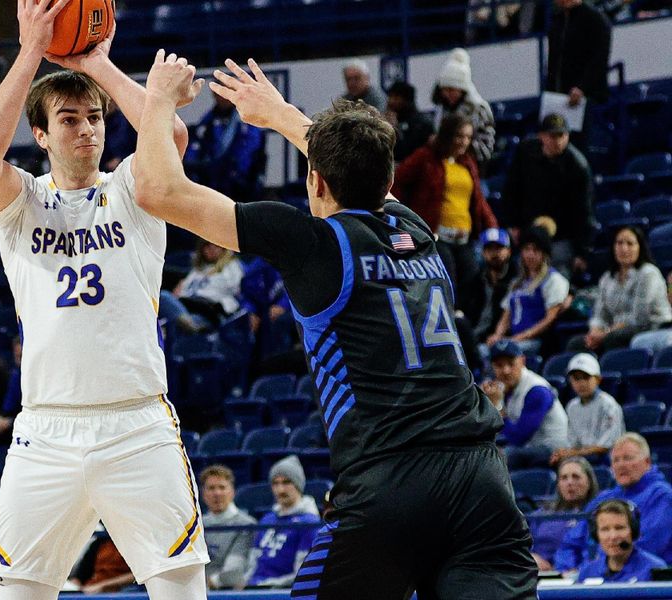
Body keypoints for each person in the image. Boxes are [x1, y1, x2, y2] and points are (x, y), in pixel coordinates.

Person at [134, 51, 538, 599]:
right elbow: (359, 165)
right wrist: (280, 115)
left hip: (392, 483)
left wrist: (157, 99)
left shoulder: (314, 244)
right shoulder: (414, 227)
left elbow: (159, 191)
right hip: (483, 482)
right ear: (390, 176)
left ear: (316, 182)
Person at [0, 4, 208, 598]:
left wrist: (97, 62)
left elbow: (171, 133)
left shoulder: (135, 188)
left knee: (182, 590)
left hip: (136, 425)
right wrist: (30, 53)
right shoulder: (21, 201)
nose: (88, 129)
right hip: (46, 429)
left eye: (94, 116)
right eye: (69, 119)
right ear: (42, 136)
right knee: (17, 591)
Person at [390, 114, 497, 314]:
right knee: (446, 282)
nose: (464, 142)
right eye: (459, 136)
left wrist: (492, 227)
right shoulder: (425, 157)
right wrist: (403, 217)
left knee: (471, 281)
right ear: (447, 135)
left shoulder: (468, 162)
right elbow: (397, 182)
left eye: (467, 137)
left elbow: (479, 200)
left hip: (465, 238)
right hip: (436, 237)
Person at [554, 433, 672, 571]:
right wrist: (567, 569)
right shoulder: (603, 499)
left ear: (647, 462)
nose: (621, 465)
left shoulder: (663, 497)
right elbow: (569, 544)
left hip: (642, 579)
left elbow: (648, 545)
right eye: (616, 460)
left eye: (627, 458)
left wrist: (592, 569)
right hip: (589, 577)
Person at [501, 114, 596, 278]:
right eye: (553, 136)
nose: (558, 141)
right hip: (529, 232)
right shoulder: (525, 152)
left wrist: (582, 252)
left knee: (556, 282)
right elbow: (512, 189)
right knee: (524, 281)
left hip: (561, 237)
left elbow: (584, 211)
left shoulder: (578, 166)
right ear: (541, 136)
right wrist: (512, 223)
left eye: (562, 135)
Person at [568, 226, 672, 353]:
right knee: (577, 343)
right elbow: (600, 314)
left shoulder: (649, 273)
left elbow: (639, 317)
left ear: (640, 247)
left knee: (614, 338)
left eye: (630, 244)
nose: (624, 248)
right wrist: (595, 331)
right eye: (619, 243)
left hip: (650, 326)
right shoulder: (607, 278)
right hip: (614, 330)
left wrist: (606, 332)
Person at [482, 340, 568, 469]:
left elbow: (519, 437)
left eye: (511, 364)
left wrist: (496, 406)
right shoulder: (504, 388)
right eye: (499, 365)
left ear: (522, 361)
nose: (506, 371)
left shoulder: (537, 390)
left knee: (503, 455)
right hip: (529, 448)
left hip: (553, 450)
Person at [487, 222, 570, 355]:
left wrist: (520, 337)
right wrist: (497, 335)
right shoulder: (517, 283)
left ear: (544, 253)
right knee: (483, 351)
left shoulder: (554, 280)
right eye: (526, 249)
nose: (530, 255)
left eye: (535, 250)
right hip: (514, 340)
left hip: (536, 341)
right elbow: (506, 315)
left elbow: (549, 319)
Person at [243, 456, 320, 589]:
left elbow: (301, 573)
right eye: (275, 483)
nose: (280, 490)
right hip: (253, 588)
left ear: (298, 485)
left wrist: (267, 585)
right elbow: (252, 564)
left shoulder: (309, 523)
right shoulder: (267, 519)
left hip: (279, 591)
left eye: (286, 482)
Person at [546, 0, 612, 151]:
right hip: (560, 98)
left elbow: (599, 60)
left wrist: (582, 88)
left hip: (587, 97)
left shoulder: (595, 20)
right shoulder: (557, 22)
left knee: (579, 146)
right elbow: (552, 64)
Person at [184, 90, 266, 202]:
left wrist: (228, 168)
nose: (223, 97)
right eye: (219, 94)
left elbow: (247, 153)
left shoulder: (245, 120)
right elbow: (195, 148)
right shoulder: (207, 121)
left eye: (227, 93)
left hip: (238, 182)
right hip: (210, 178)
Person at [549, 353, 624, 466]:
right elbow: (572, 443)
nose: (581, 383)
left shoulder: (608, 404)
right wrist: (563, 453)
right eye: (576, 378)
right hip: (582, 458)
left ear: (598, 379)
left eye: (586, 377)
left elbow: (605, 447)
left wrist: (572, 454)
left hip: (605, 459)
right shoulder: (572, 406)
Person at [159, 238, 244, 333]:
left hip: (208, 312)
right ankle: (186, 322)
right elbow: (178, 294)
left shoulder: (232, 266)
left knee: (165, 298)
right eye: (207, 246)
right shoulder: (197, 270)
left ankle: (187, 323)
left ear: (225, 249)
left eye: (216, 246)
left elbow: (239, 291)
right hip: (187, 307)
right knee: (164, 298)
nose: (211, 249)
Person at [530, 456, 599, 571]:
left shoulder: (598, 514)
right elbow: (524, 547)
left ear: (589, 481)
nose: (570, 482)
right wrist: (531, 558)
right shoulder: (542, 515)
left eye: (576, 477)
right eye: (564, 478)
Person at [430, 48, 496, 166]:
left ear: (462, 90)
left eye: (452, 90)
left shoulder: (479, 109)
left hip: (472, 167)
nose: (448, 94)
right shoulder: (441, 109)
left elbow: (486, 149)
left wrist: (457, 144)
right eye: (445, 89)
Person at [577, 500, 666, 583]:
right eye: (605, 529)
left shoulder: (654, 569)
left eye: (619, 528)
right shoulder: (588, 572)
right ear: (596, 534)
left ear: (633, 531)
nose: (613, 536)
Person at [200, 465, 256, 590]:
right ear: (204, 494)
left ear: (232, 492)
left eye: (222, 487)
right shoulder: (198, 525)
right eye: (211, 488)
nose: (217, 493)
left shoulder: (246, 524)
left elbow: (233, 572)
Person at [471, 228, 518, 343]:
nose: (494, 253)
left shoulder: (517, 277)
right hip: (475, 336)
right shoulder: (476, 279)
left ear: (509, 251)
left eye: (499, 248)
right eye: (489, 249)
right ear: (482, 252)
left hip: (503, 339)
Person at [67, 529, 135, 594]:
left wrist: (103, 585)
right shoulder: (100, 541)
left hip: (119, 591)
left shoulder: (135, 542)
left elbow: (136, 575)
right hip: (90, 590)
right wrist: (74, 587)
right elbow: (81, 573)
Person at [382, 81, 434, 163]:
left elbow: (407, 152)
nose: (391, 101)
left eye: (396, 98)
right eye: (390, 97)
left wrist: (395, 130)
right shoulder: (387, 119)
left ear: (407, 100)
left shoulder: (421, 123)